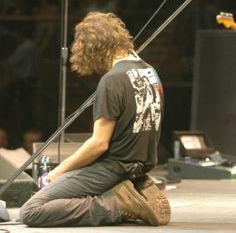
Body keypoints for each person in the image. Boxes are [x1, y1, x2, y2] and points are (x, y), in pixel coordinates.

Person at [20, 12, 171, 227]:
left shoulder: (112, 80)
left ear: (95, 48)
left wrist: (56, 172)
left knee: (32, 211)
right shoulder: (150, 72)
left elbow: (99, 143)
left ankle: (120, 204)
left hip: (113, 168)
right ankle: (128, 190)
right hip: (138, 167)